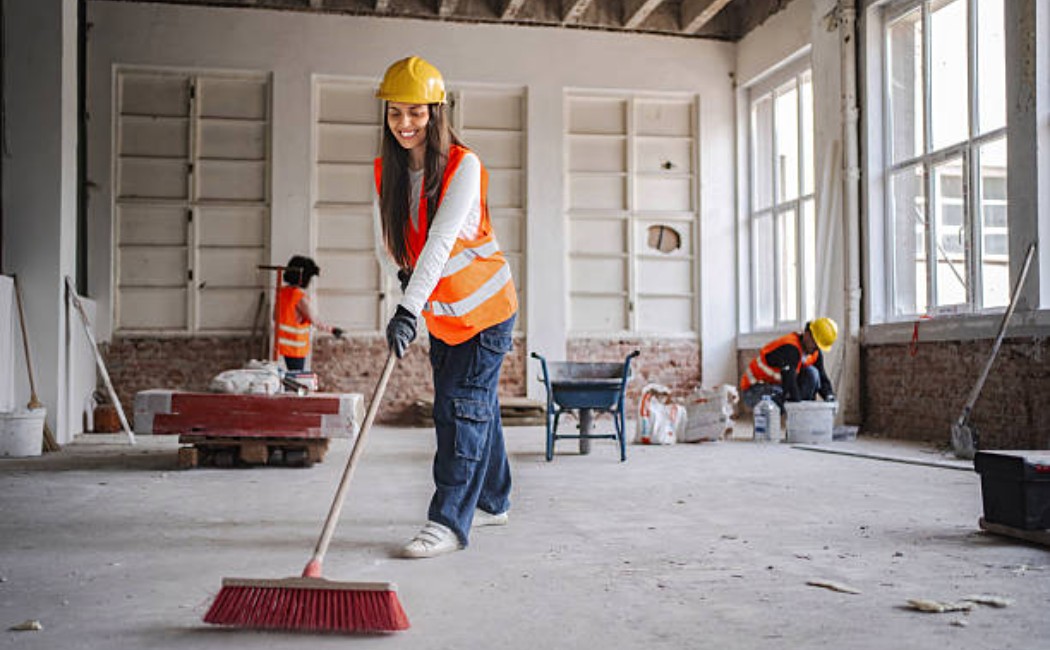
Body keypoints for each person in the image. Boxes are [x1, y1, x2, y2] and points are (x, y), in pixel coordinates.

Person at [372, 56, 518, 559]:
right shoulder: (387, 172)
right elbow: (393, 244)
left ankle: (448, 522)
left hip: (487, 310)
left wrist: (407, 310)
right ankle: (494, 501)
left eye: (416, 112)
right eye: (395, 114)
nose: (406, 124)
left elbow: (439, 244)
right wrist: (405, 287)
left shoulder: (464, 165)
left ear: (437, 112)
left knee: (458, 411)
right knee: (478, 406)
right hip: (445, 314)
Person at [739, 317, 838, 410]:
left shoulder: (814, 352)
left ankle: (802, 423)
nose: (815, 349)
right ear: (807, 334)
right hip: (754, 390)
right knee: (779, 403)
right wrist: (800, 408)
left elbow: (822, 377)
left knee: (812, 373)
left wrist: (829, 396)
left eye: (818, 346)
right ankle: (778, 424)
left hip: (776, 386)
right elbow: (790, 384)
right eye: (815, 344)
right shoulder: (790, 349)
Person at [274, 255, 342, 371]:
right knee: (296, 379)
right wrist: (332, 329)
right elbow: (315, 320)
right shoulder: (299, 297)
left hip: (282, 347)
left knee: (287, 379)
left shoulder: (282, 293)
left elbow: (275, 317)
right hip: (296, 349)